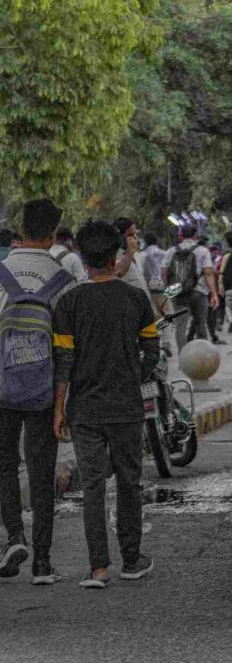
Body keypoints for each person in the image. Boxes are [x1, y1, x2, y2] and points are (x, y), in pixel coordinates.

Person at [52, 219, 158, 588]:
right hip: (126, 407)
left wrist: (59, 408)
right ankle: (132, 560)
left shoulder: (69, 302)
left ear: (82, 256)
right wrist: (137, 377)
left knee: (93, 486)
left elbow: (64, 362)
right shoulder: (136, 298)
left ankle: (98, 568)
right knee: (129, 482)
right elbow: (152, 350)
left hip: (85, 409)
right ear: (116, 256)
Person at [0, 199, 76, 585]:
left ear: (21, 229)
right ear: (51, 234)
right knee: (42, 471)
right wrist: (63, 404)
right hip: (46, 393)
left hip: (3, 388)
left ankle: (14, 535)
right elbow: (66, 350)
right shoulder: (63, 280)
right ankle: (42, 563)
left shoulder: (0, 273)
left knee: (4, 465)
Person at [161, 224, 219, 350]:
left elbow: (164, 272)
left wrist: (169, 289)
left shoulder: (171, 251)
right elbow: (208, 272)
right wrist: (213, 294)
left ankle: (183, 357)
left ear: (181, 236)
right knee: (200, 324)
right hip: (199, 291)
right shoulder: (203, 251)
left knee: (180, 326)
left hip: (178, 292)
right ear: (195, 236)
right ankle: (204, 355)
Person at [112, 217, 149, 296]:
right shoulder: (112, 256)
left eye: (135, 234)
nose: (135, 238)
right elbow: (118, 272)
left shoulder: (135, 254)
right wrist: (129, 252)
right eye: (130, 234)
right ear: (119, 237)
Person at [141, 232, 166, 316]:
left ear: (145, 241)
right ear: (156, 241)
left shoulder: (142, 255)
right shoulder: (164, 253)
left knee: (152, 313)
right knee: (166, 312)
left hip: (148, 287)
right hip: (162, 286)